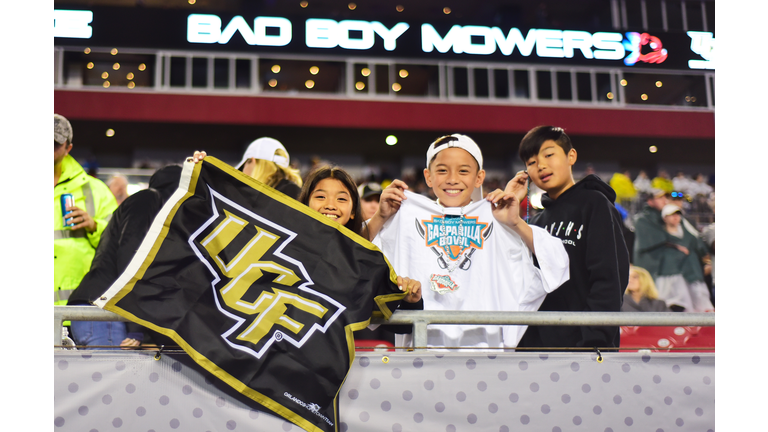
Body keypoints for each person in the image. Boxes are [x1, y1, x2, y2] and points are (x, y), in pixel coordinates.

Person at [368, 133, 570, 350]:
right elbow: (351, 254)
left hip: (485, 349)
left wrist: (515, 223)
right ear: (428, 176)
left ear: (479, 177)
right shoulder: (404, 215)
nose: (453, 179)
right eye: (442, 170)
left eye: (463, 171)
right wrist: (380, 217)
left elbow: (558, 262)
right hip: (422, 349)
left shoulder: (497, 215)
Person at [509, 125, 629, 350]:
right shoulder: (534, 224)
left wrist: (594, 341)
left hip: (586, 348)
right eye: (532, 162)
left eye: (549, 155)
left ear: (570, 156)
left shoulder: (595, 204)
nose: (541, 165)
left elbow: (608, 279)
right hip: (535, 351)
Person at [67, 166, 183, 348]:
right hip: (104, 311)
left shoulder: (161, 215)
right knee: (113, 374)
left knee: (111, 374)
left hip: (104, 310)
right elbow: (131, 256)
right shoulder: (149, 199)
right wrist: (136, 327)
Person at [54, 114, 118, 310]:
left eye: (54, 144)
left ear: (68, 148)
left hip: (77, 308)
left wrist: (94, 225)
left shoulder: (95, 189)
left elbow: (118, 240)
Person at [654, 204, 714, 312]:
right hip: (670, 276)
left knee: (701, 301)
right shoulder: (659, 236)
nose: (675, 217)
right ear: (665, 218)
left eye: (677, 214)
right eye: (671, 215)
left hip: (692, 275)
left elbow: (702, 250)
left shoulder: (690, 234)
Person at [233, 137, 303, 199]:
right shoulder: (293, 191)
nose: (242, 172)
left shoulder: (290, 191)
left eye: (242, 168)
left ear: (252, 161)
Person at [632, 188, 668, 278]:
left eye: (665, 197)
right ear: (650, 201)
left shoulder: (666, 217)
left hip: (664, 267)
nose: (665, 200)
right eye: (660, 198)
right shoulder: (641, 219)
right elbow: (663, 237)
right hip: (648, 267)